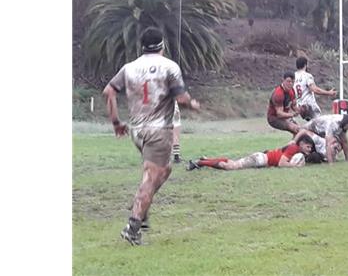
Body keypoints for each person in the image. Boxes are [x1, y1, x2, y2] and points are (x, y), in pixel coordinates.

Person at [102, 27, 200, 245]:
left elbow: (109, 91)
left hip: (137, 131)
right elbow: (182, 99)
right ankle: (134, 226)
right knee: (150, 179)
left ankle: (142, 208)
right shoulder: (169, 67)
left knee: (164, 170)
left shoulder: (130, 67)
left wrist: (116, 122)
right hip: (158, 131)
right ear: (162, 46)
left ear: (142, 46)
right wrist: (193, 104)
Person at [186, 134, 316, 171]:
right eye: (308, 147)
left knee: (231, 163)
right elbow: (282, 163)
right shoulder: (294, 149)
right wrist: (294, 166)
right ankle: (200, 162)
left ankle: (206, 159)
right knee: (230, 166)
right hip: (260, 159)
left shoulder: (294, 148)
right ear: (302, 144)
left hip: (261, 159)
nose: (309, 150)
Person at [293, 56, 337, 121]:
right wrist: (329, 93)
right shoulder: (307, 76)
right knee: (319, 124)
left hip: (299, 105)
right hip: (309, 105)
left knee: (311, 124)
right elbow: (314, 89)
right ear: (305, 65)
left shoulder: (293, 76)